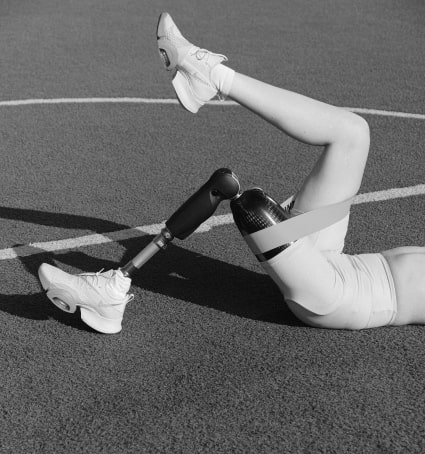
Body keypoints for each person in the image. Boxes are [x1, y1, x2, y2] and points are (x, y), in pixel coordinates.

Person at [38, 12, 425, 334]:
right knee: (353, 132)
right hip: (333, 257)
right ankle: (210, 76)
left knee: (253, 207)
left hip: (337, 295)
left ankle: (110, 294)